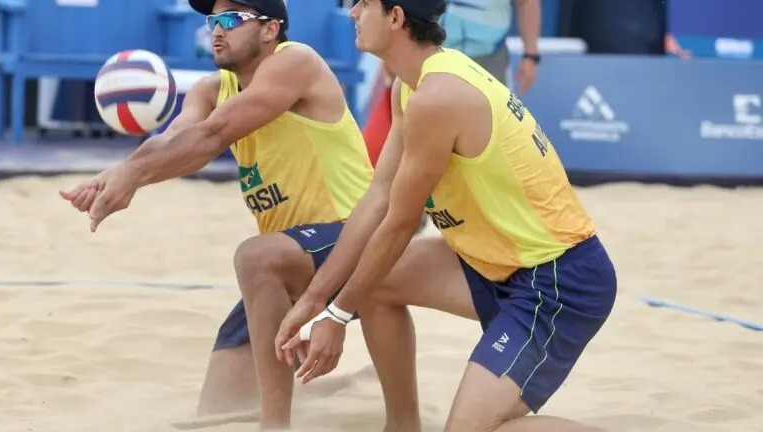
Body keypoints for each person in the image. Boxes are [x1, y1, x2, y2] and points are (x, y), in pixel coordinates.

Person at [275, 1, 617, 431]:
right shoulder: (411, 83)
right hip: (497, 262)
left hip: (557, 279)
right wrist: (315, 300)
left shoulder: (440, 96)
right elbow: (377, 198)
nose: (352, 12)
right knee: (378, 282)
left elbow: (399, 223)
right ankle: (402, 426)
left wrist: (338, 315)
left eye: (363, 3)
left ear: (396, 17)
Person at [58, 0, 379, 428]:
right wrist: (118, 174)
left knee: (255, 257)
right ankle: (353, 386)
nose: (216, 30)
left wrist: (132, 177)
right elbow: (176, 139)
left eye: (230, 19)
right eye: (212, 21)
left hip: (352, 242)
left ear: (270, 29)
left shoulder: (295, 62)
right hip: (292, 260)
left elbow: (213, 135)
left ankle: (275, 425)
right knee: (220, 408)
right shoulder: (211, 88)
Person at [441, 0, 541, 94]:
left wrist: (530, 56)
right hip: (436, 54)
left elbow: (527, 2)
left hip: (490, 57)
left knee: (495, 110)